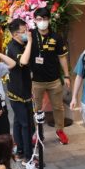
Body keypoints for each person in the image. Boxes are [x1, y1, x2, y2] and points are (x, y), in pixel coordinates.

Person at [30, 8, 71, 146]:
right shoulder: (30, 36)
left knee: (58, 107)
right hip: (36, 81)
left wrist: (66, 76)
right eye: (39, 19)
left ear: (49, 20)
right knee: (37, 108)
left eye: (45, 19)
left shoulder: (56, 37)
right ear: (35, 21)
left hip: (54, 80)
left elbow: (62, 58)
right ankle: (37, 132)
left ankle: (60, 130)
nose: (42, 22)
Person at [6, 19, 34, 160]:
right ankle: (28, 156)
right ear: (15, 34)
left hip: (25, 89)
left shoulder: (21, 44)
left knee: (18, 122)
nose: (26, 34)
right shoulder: (13, 47)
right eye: (23, 32)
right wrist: (29, 42)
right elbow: (23, 62)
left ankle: (21, 150)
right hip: (18, 92)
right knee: (26, 125)